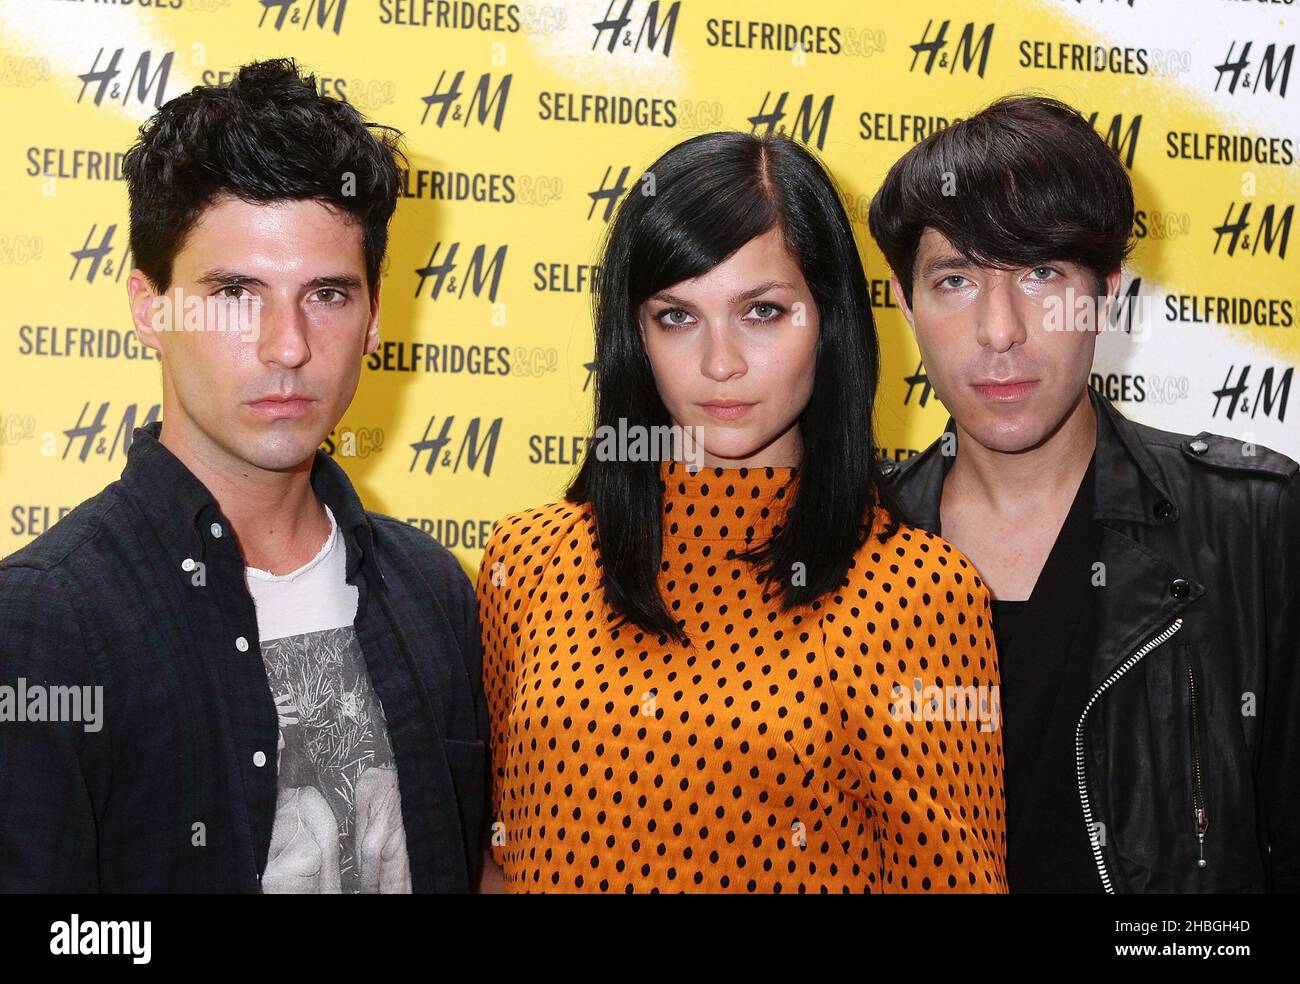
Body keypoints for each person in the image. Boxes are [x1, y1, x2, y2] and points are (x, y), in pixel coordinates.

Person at [0, 59, 489, 893]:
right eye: (235, 292)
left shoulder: (431, 589)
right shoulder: (48, 617)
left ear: (374, 319)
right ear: (150, 307)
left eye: (327, 294)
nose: (287, 345)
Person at [476, 131, 1007, 893]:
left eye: (761, 311)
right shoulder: (528, 561)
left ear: (829, 319)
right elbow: (503, 856)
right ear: (634, 333)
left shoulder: (918, 592)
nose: (720, 362)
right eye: (677, 317)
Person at [869, 94, 1300, 893]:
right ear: (906, 303)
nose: (1000, 330)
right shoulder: (854, 548)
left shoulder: (1254, 523)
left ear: (1105, 290)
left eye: (1040, 273)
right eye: (956, 279)